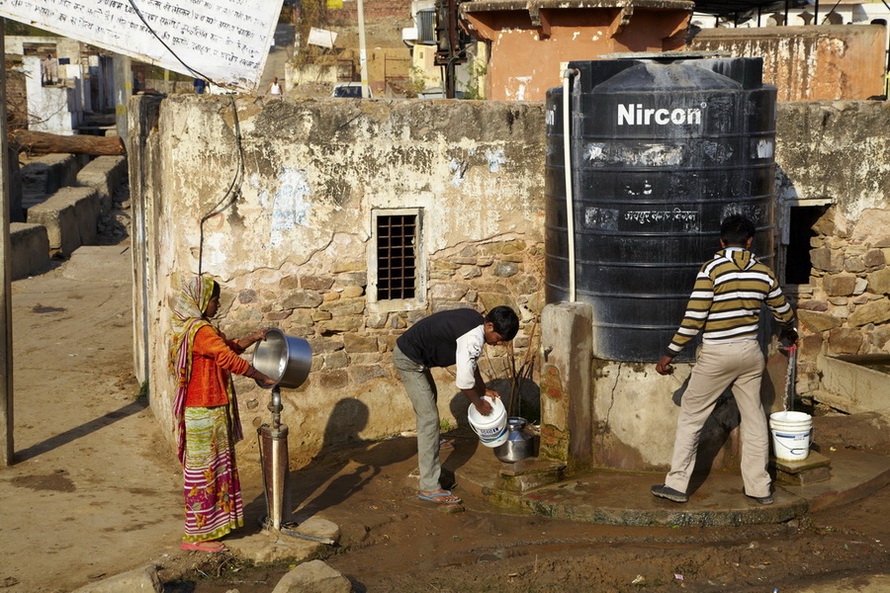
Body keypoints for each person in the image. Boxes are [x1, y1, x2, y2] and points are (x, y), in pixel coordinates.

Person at [652, 215, 797, 506]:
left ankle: (677, 484)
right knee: (755, 417)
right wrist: (787, 333)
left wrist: (669, 354)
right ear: (750, 241)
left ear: (721, 241)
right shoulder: (763, 272)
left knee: (692, 416)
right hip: (749, 353)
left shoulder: (712, 270)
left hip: (717, 353)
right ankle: (759, 487)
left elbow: (694, 320)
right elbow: (785, 312)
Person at [169, 275, 276, 553]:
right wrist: (259, 376)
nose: (217, 305)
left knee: (212, 470)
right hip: (204, 410)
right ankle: (195, 537)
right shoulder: (201, 331)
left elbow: (227, 347)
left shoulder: (196, 329)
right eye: (215, 300)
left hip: (206, 408)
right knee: (205, 473)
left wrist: (253, 338)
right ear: (202, 301)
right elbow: (226, 358)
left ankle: (210, 528)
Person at [393, 306, 520, 504]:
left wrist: (482, 389)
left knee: (429, 405)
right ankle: (429, 488)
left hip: (417, 355)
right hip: (409, 359)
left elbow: (471, 365)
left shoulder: (476, 324)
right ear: (489, 325)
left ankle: (432, 442)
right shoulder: (473, 337)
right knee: (429, 419)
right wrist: (478, 403)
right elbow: (463, 382)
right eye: (500, 337)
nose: (500, 343)